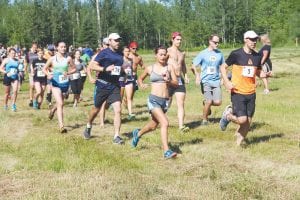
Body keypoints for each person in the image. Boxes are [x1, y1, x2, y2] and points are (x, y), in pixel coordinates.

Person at [131, 45, 178, 159]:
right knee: (165, 123)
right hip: (153, 100)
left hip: (165, 102)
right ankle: (166, 151)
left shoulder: (170, 67)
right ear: (156, 55)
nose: (163, 56)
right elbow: (140, 78)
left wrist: (169, 81)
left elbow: (176, 83)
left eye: (164, 54)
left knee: (153, 126)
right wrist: (141, 84)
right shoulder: (150, 68)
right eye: (160, 54)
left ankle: (138, 134)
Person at [219, 30, 262, 146]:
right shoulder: (236, 54)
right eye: (251, 39)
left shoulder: (257, 56)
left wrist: (263, 75)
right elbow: (223, 67)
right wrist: (227, 82)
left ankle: (238, 145)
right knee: (242, 120)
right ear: (245, 40)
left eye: (255, 39)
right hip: (238, 92)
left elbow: (257, 71)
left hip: (251, 92)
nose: (254, 42)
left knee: (248, 122)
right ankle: (228, 115)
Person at [83, 33, 125, 144]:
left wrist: (123, 72)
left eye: (118, 40)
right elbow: (92, 66)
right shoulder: (103, 53)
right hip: (102, 85)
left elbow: (120, 69)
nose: (117, 42)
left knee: (118, 110)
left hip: (115, 86)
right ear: (110, 41)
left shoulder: (120, 54)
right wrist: (105, 68)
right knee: (96, 109)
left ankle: (116, 136)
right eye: (115, 40)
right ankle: (89, 125)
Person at [191, 34, 224, 125]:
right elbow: (193, 65)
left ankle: (206, 103)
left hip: (216, 81)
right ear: (210, 41)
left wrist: (223, 79)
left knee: (218, 102)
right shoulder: (203, 53)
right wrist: (197, 76)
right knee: (209, 101)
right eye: (215, 42)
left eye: (218, 42)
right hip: (206, 81)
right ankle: (204, 120)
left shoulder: (220, 54)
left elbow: (223, 66)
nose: (217, 44)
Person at [43, 41, 76, 133]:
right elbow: (44, 69)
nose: (63, 48)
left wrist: (68, 73)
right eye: (61, 47)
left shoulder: (68, 58)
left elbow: (74, 68)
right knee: (60, 103)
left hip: (65, 84)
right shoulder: (52, 59)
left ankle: (53, 110)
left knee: (60, 103)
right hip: (55, 83)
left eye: (65, 47)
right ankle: (61, 126)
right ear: (57, 48)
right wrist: (48, 74)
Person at [167, 32, 190, 132]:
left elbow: (183, 66)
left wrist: (186, 75)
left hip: (179, 80)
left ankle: (181, 126)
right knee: (167, 103)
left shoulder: (182, 53)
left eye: (180, 39)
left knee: (181, 103)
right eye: (177, 39)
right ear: (172, 39)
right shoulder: (167, 51)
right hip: (169, 80)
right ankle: (159, 119)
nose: (179, 41)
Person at [121, 46, 135, 120]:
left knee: (129, 98)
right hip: (121, 80)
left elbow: (131, 69)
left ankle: (130, 113)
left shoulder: (131, 60)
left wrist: (133, 74)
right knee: (120, 98)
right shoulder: (120, 60)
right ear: (123, 52)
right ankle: (119, 112)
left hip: (129, 80)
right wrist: (123, 71)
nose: (127, 52)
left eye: (128, 51)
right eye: (126, 51)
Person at [25, 42, 38, 107]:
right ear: (32, 47)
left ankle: (36, 99)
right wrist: (25, 69)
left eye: (36, 47)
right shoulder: (28, 54)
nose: (35, 48)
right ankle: (31, 100)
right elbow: (26, 62)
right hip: (31, 72)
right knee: (32, 86)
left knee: (37, 87)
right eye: (34, 47)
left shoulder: (38, 53)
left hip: (38, 72)